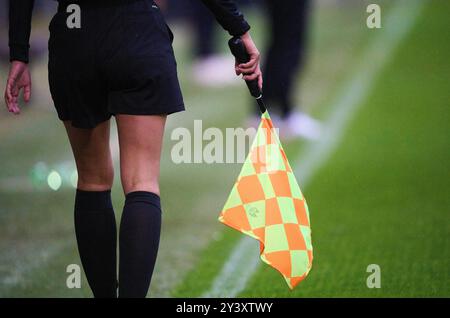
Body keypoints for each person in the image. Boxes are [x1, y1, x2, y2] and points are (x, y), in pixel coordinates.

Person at [4, 0, 262, 298]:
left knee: (92, 180)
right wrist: (238, 27)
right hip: (136, 28)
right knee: (141, 181)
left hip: (75, 35)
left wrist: (19, 53)